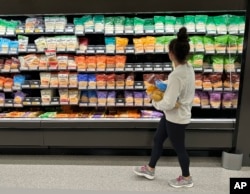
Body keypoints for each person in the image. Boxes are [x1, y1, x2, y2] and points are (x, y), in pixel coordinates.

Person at [133, 27, 195, 188]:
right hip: (174, 115)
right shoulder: (188, 68)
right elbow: (178, 86)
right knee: (158, 139)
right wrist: (164, 85)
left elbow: (168, 103)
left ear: (171, 54)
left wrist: (154, 101)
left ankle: (187, 177)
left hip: (176, 117)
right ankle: (150, 169)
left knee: (180, 148)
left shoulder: (176, 75)